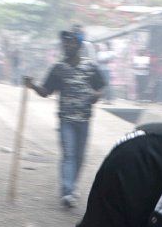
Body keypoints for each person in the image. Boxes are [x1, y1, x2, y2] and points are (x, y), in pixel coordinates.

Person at [24, 31, 104, 208]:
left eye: (71, 43)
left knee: (80, 156)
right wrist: (32, 86)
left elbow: (101, 86)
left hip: (84, 119)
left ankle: (72, 186)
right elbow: (46, 91)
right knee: (69, 154)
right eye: (65, 43)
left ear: (79, 46)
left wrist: (96, 95)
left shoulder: (90, 67)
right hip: (66, 119)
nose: (67, 46)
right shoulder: (58, 69)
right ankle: (67, 191)